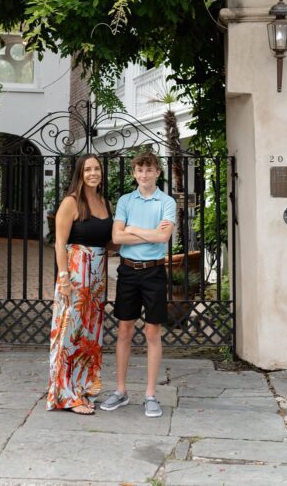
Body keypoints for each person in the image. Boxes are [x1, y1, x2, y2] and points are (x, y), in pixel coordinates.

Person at [100, 151, 176, 418]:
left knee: (153, 333)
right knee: (124, 331)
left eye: (149, 170)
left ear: (158, 172)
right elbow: (116, 237)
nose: (144, 174)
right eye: (139, 170)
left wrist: (133, 229)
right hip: (128, 272)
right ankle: (120, 391)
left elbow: (163, 237)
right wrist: (148, 234)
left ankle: (151, 395)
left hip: (154, 273)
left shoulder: (166, 202)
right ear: (134, 173)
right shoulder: (125, 201)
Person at [47, 154, 114, 415]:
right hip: (75, 276)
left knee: (90, 335)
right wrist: (63, 277)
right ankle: (66, 395)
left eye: (97, 168)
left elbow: (109, 241)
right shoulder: (71, 202)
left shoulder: (104, 202)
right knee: (70, 334)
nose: (93, 173)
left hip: (97, 277)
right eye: (88, 169)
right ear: (80, 173)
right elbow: (59, 243)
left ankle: (83, 388)